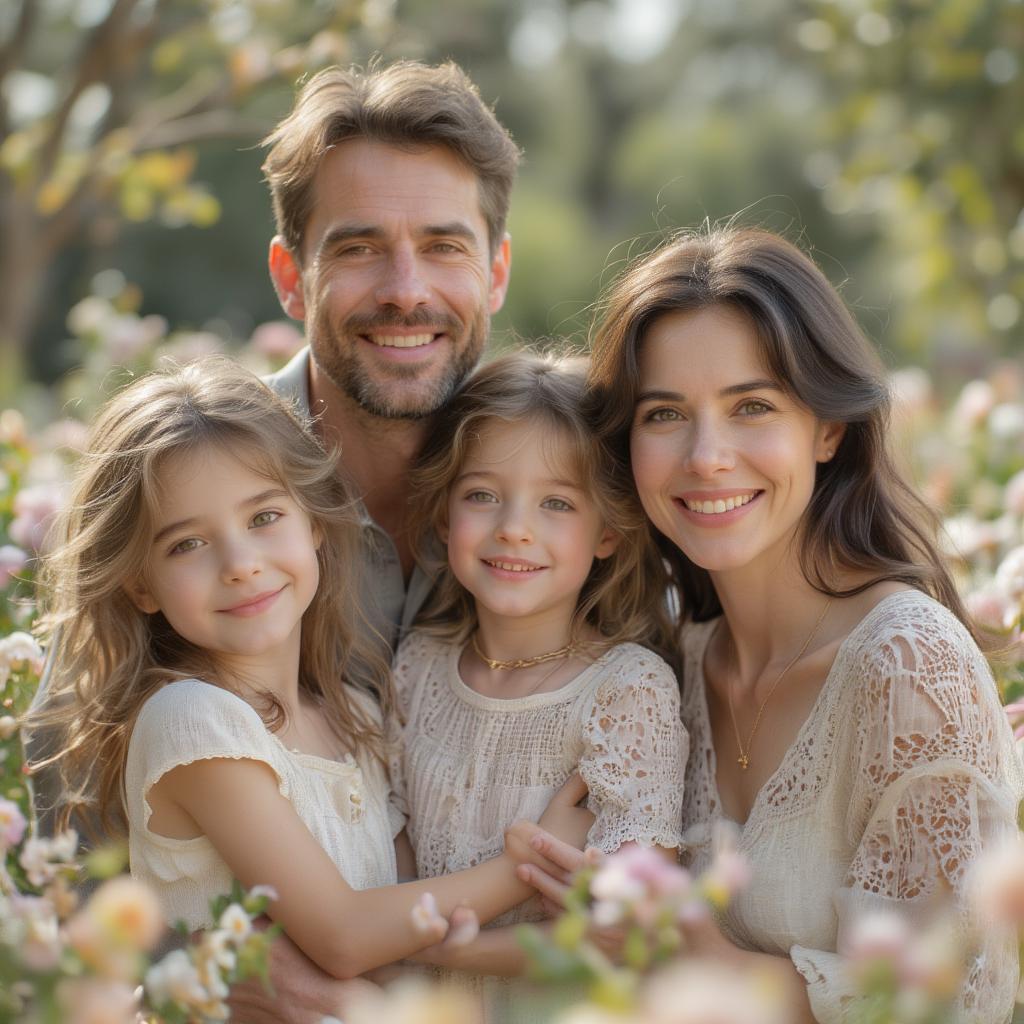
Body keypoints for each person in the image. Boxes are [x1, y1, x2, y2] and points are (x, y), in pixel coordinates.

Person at [516, 226, 1024, 1022]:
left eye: (752, 406)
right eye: (664, 414)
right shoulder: (665, 665)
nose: (707, 455)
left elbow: (957, 1000)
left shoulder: (907, 667)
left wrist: (686, 955)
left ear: (828, 429)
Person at [28, 358, 573, 986]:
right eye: (187, 543)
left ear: (313, 520)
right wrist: (528, 862)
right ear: (141, 585)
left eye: (263, 518)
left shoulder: (354, 715)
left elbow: (402, 932)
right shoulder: (194, 722)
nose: (239, 564)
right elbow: (345, 936)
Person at [390, 352, 686, 1010]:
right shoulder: (416, 669)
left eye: (556, 502)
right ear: (444, 516)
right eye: (482, 495)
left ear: (608, 531)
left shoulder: (626, 693)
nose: (514, 528)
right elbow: (394, 868)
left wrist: (424, 943)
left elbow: (618, 938)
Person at [261, 58, 519, 652]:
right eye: (358, 248)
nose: (405, 290)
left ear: (496, 272)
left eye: (444, 247)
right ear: (291, 277)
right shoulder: (181, 484)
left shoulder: (581, 482)